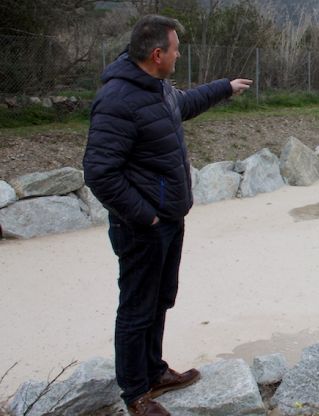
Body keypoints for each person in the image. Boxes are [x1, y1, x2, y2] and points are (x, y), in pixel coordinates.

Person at [83, 15, 252, 415]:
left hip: (167, 220)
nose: (179, 55)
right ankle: (135, 394)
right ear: (157, 54)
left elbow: (185, 103)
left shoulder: (156, 88)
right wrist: (147, 216)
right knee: (136, 308)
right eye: (176, 49)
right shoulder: (119, 100)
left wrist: (224, 88)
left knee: (159, 300)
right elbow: (99, 172)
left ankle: (155, 372)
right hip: (142, 226)